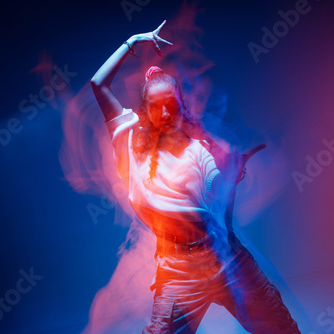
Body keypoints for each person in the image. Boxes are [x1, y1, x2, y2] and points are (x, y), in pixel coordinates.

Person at [90, 20, 301, 334]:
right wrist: (132, 42)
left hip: (226, 259)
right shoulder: (129, 139)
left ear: (180, 107)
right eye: (156, 107)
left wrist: (233, 172)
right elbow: (98, 84)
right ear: (145, 109)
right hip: (178, 271)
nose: (164, 114)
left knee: (280, 327)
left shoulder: (199, 149)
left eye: (171, 106)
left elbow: (216, 192)